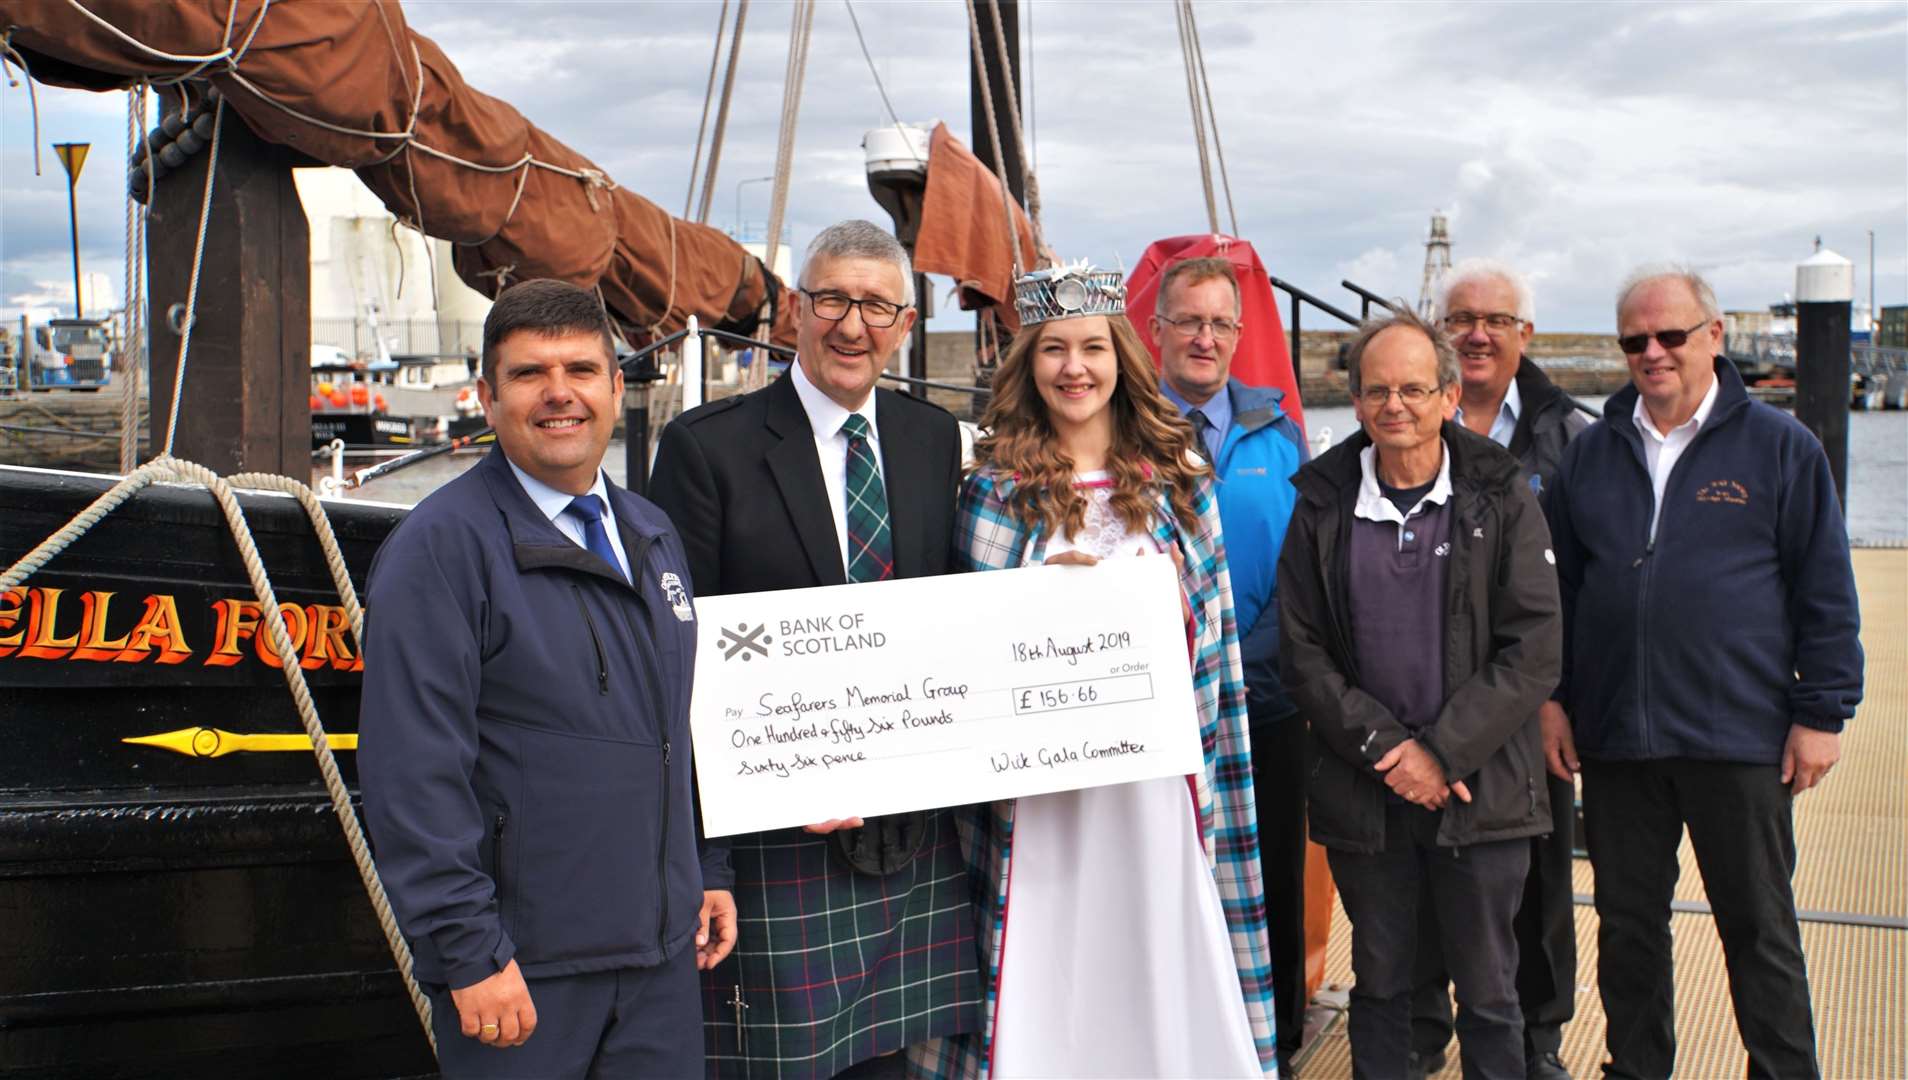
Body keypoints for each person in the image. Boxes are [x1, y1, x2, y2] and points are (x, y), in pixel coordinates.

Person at [359, 279, 735, 1077]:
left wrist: (705, 871)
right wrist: (468, 954)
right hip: (526, 975)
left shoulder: (650, 532)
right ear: (488, 397)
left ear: (614, 385)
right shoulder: (443, 550)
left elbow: (680, 723)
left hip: (661, 966)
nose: (559, 394)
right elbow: (413, 774)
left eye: (581, 370)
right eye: (530, 374)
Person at [916, 261, 1278, 1079]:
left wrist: (1139, 609)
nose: (1073, 367)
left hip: (1152, 790)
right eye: (1052, 349)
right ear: (1028, 365)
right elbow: (960, 650)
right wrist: (1038, 604)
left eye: (1091, 347)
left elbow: (1215, 638)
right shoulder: (991, 493)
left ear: (1121, 357)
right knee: (1045, 965)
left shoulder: (1181, 484)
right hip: (1040, 802)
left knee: (1152, 955)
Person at [646, 220, 977, 1078]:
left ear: (906, 322)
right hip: (772, 830)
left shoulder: (930, 439)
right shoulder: (705, 448)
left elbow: (948, 618)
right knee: (776, 1065)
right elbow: (677, 662)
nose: (852, 326)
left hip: (908, 823)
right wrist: (708, 849)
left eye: (876, 305)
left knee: (894, 1065)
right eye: (832, 299)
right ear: (796, 309)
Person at [1544, 266, 1862, 1080]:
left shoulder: (1781, 447)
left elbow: (1824, 589)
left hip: (1738, 734)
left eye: (1670, 336)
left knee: (1759, 930)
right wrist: (1553, 701)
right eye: (1634, 341)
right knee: (1628, 930)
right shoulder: (1590, 455)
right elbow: (1559, 594)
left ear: (1713, 337)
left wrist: (1822, 712)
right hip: (1617, 738)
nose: (1652, 353)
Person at [1278, 308, 1562, 1080]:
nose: (1393, 406)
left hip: (1482, 787)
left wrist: (1439, 753)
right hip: (1365, 786)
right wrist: (1389, 751)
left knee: (1489, 991)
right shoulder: (1321, 501)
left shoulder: (1501, 491)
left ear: (1447, 395)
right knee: (1383, 986)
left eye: (1412, 388)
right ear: (1358, 401)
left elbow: (1534, 646)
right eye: (1376, 391)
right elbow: (1300, 647)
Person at [1413, 259, 1594, 1080]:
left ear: (1527, 334)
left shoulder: (1573, 439)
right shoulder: (1403, 420)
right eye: (1460, 319)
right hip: (1417, 693)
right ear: (1439, 332)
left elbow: (1584, 582)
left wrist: (1559, 699)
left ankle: (1535, 1037)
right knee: (1415, 873)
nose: (1477, 334)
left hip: (1527, 699)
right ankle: (1420, 1027)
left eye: (1496, 320)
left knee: (1539, 883)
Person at [1149, 255, 1310, 1076]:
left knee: (1270, 872)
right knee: (1167, 874)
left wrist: (1248, 661)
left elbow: (1304, 571)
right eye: (1189, 321)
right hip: (1154, 708)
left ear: (1239, 338)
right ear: (1159, 330)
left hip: (1266, 697)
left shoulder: (1278, 435)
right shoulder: (1126, 428)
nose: (1204, 338)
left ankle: (1275, 1036)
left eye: (1221, 324)